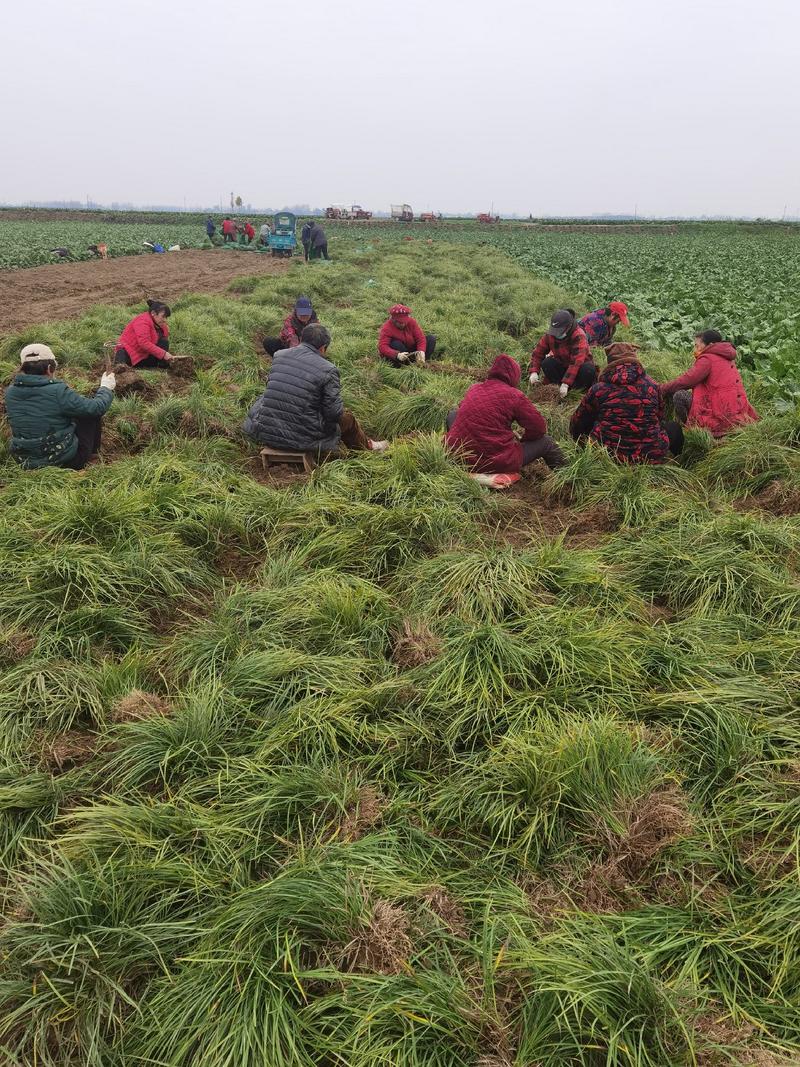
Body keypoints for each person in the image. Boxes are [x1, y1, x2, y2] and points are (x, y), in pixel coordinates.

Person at [243, 323, 387, 455]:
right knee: (347, 418)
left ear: (301, 339)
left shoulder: (279, 355)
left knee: (267, 398)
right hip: (302, 439)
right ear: (323, 347)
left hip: (268, 432)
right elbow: (333, 414)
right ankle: (367, 449)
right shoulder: (328, 369)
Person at [445, 354, 565, 473]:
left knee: (453, 415)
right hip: (491, 462)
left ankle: (456, 455)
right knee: (547, 442)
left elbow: (464, 411)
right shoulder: (515, 396)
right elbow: (539, 428)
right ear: (514, 376)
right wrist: (524, 440)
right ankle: (567, 477)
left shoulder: (474, 388)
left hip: (457, 455)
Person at [5, 343, 116, 470]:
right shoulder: (57, 391)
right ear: (48, 368)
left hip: (25, 461)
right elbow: (96, 408)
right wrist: (106, 388)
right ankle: (91, 457)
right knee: (88, 415)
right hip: (61, 461)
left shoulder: (10, 392)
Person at [569, 342, 682, 462]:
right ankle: (679, 461)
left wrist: (580, 442)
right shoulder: (653, 386)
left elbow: (577, 421)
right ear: (635, 360)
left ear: (610, 363)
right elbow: (660, 418)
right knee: (673, 428)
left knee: (587, 418)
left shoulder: (598, 389)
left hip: (608, 456)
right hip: (650, 456)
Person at [660, 330, 759, 437]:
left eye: (697, 346)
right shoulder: (727, 356)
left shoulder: (707, 359)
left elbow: (687, 380)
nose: (695, 349)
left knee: (679, 395)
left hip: (720, 416)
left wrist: (662, 388)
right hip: (738, 413)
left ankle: (691, 431)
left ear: (710, 345)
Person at [528, 309, 596, 397]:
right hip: (563, 365)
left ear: (568, 327)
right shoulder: (550, 334)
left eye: (559, 331)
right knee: (547, 363)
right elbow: (538, 353)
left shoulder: (579, 335)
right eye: (554, 330)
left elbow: (576, 363)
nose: (556, 334)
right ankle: (557, 387)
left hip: (579, 368)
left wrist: (566, 384)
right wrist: (534, 372)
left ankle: (576, 390)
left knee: (588, 370)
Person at [114, 300, 172, 368]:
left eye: (166, 317)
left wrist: (164, 355)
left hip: (144, 354)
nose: (165, 320)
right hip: (131, 353)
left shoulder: (162, 325)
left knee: (164, 342)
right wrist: (164, 354)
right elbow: (143, 343)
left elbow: (163, 340)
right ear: (153, 313)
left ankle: (162, 365)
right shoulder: (142, 321)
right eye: (163, 316)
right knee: (121, 353)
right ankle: (120, 366)